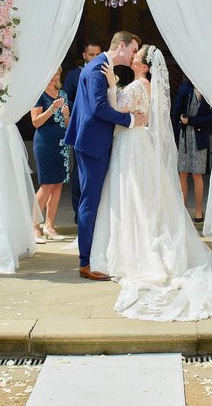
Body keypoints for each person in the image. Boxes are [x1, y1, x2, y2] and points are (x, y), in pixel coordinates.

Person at [90, 45, 212, 322]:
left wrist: (113, 85)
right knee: (137, 194)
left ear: (144, 66)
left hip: (131, 143)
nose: (133, 57)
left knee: (133, 195)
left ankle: (137, 250)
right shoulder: (144, 85)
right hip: (137, 142)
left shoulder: (139, 85)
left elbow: (118, 108)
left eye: (137, 56)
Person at [64, 31, 145, 281]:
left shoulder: (100, 66)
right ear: (121, 46)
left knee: (93, 200)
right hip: (92, 143)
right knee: (89, 201)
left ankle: (95, 254)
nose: (133, 55)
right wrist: (131, 120)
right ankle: (86, 262)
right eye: (132, 49)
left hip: (91, 141)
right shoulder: (98, 69)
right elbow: (99, 108)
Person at [63, 41, 102, 223]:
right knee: (79, 171)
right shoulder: (73, 75)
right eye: (91, 55)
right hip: (80, 127)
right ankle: (79, 212)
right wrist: (82, 107)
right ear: (85, 56)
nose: (94, 58)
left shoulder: (106, 73)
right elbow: (65, 98)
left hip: (101, 130)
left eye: (97, 55)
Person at [31, 68, 70, 243]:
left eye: (57, 74)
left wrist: (66, 115)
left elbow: (68, 125)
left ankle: (50, 225)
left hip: (61, 144)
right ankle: (34, 227)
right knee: (47, 185)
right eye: (51, 74)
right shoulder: (39, 94)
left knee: (58, 185)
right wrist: (52, 109)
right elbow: (36, 122)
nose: (54, 77)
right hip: (44, 143)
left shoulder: (62, 94)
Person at [172, 80, 212, 223]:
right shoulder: (185, 88)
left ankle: (198, 210)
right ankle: (182, 210)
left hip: (200, 138)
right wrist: (175, 132)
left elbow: (211, 119)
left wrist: (190, 120)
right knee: (183, 173)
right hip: (184, 137)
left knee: (197, 174)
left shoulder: (208, 90)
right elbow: (175, 111)